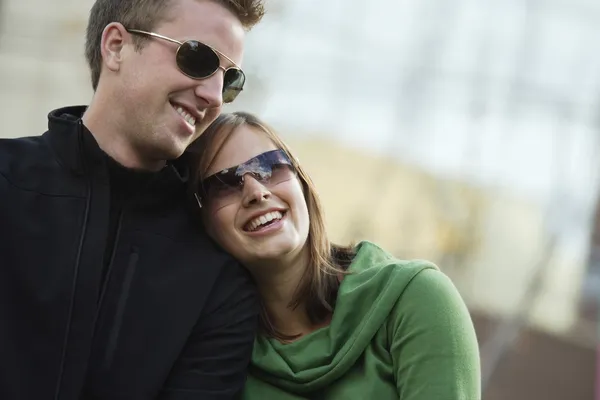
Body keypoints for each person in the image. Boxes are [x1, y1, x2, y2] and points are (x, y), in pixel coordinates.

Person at [0, 0, 265, 398]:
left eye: (230, 81)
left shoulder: (218, 275)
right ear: (116, 47)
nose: (214, 95)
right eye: (197, 57)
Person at [189, 112, 482, 399]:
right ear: (200, 221)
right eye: (225, 183)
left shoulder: (414, 298)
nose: (257, 191)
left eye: (270, 166)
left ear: (301, 182)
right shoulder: (216, 353)